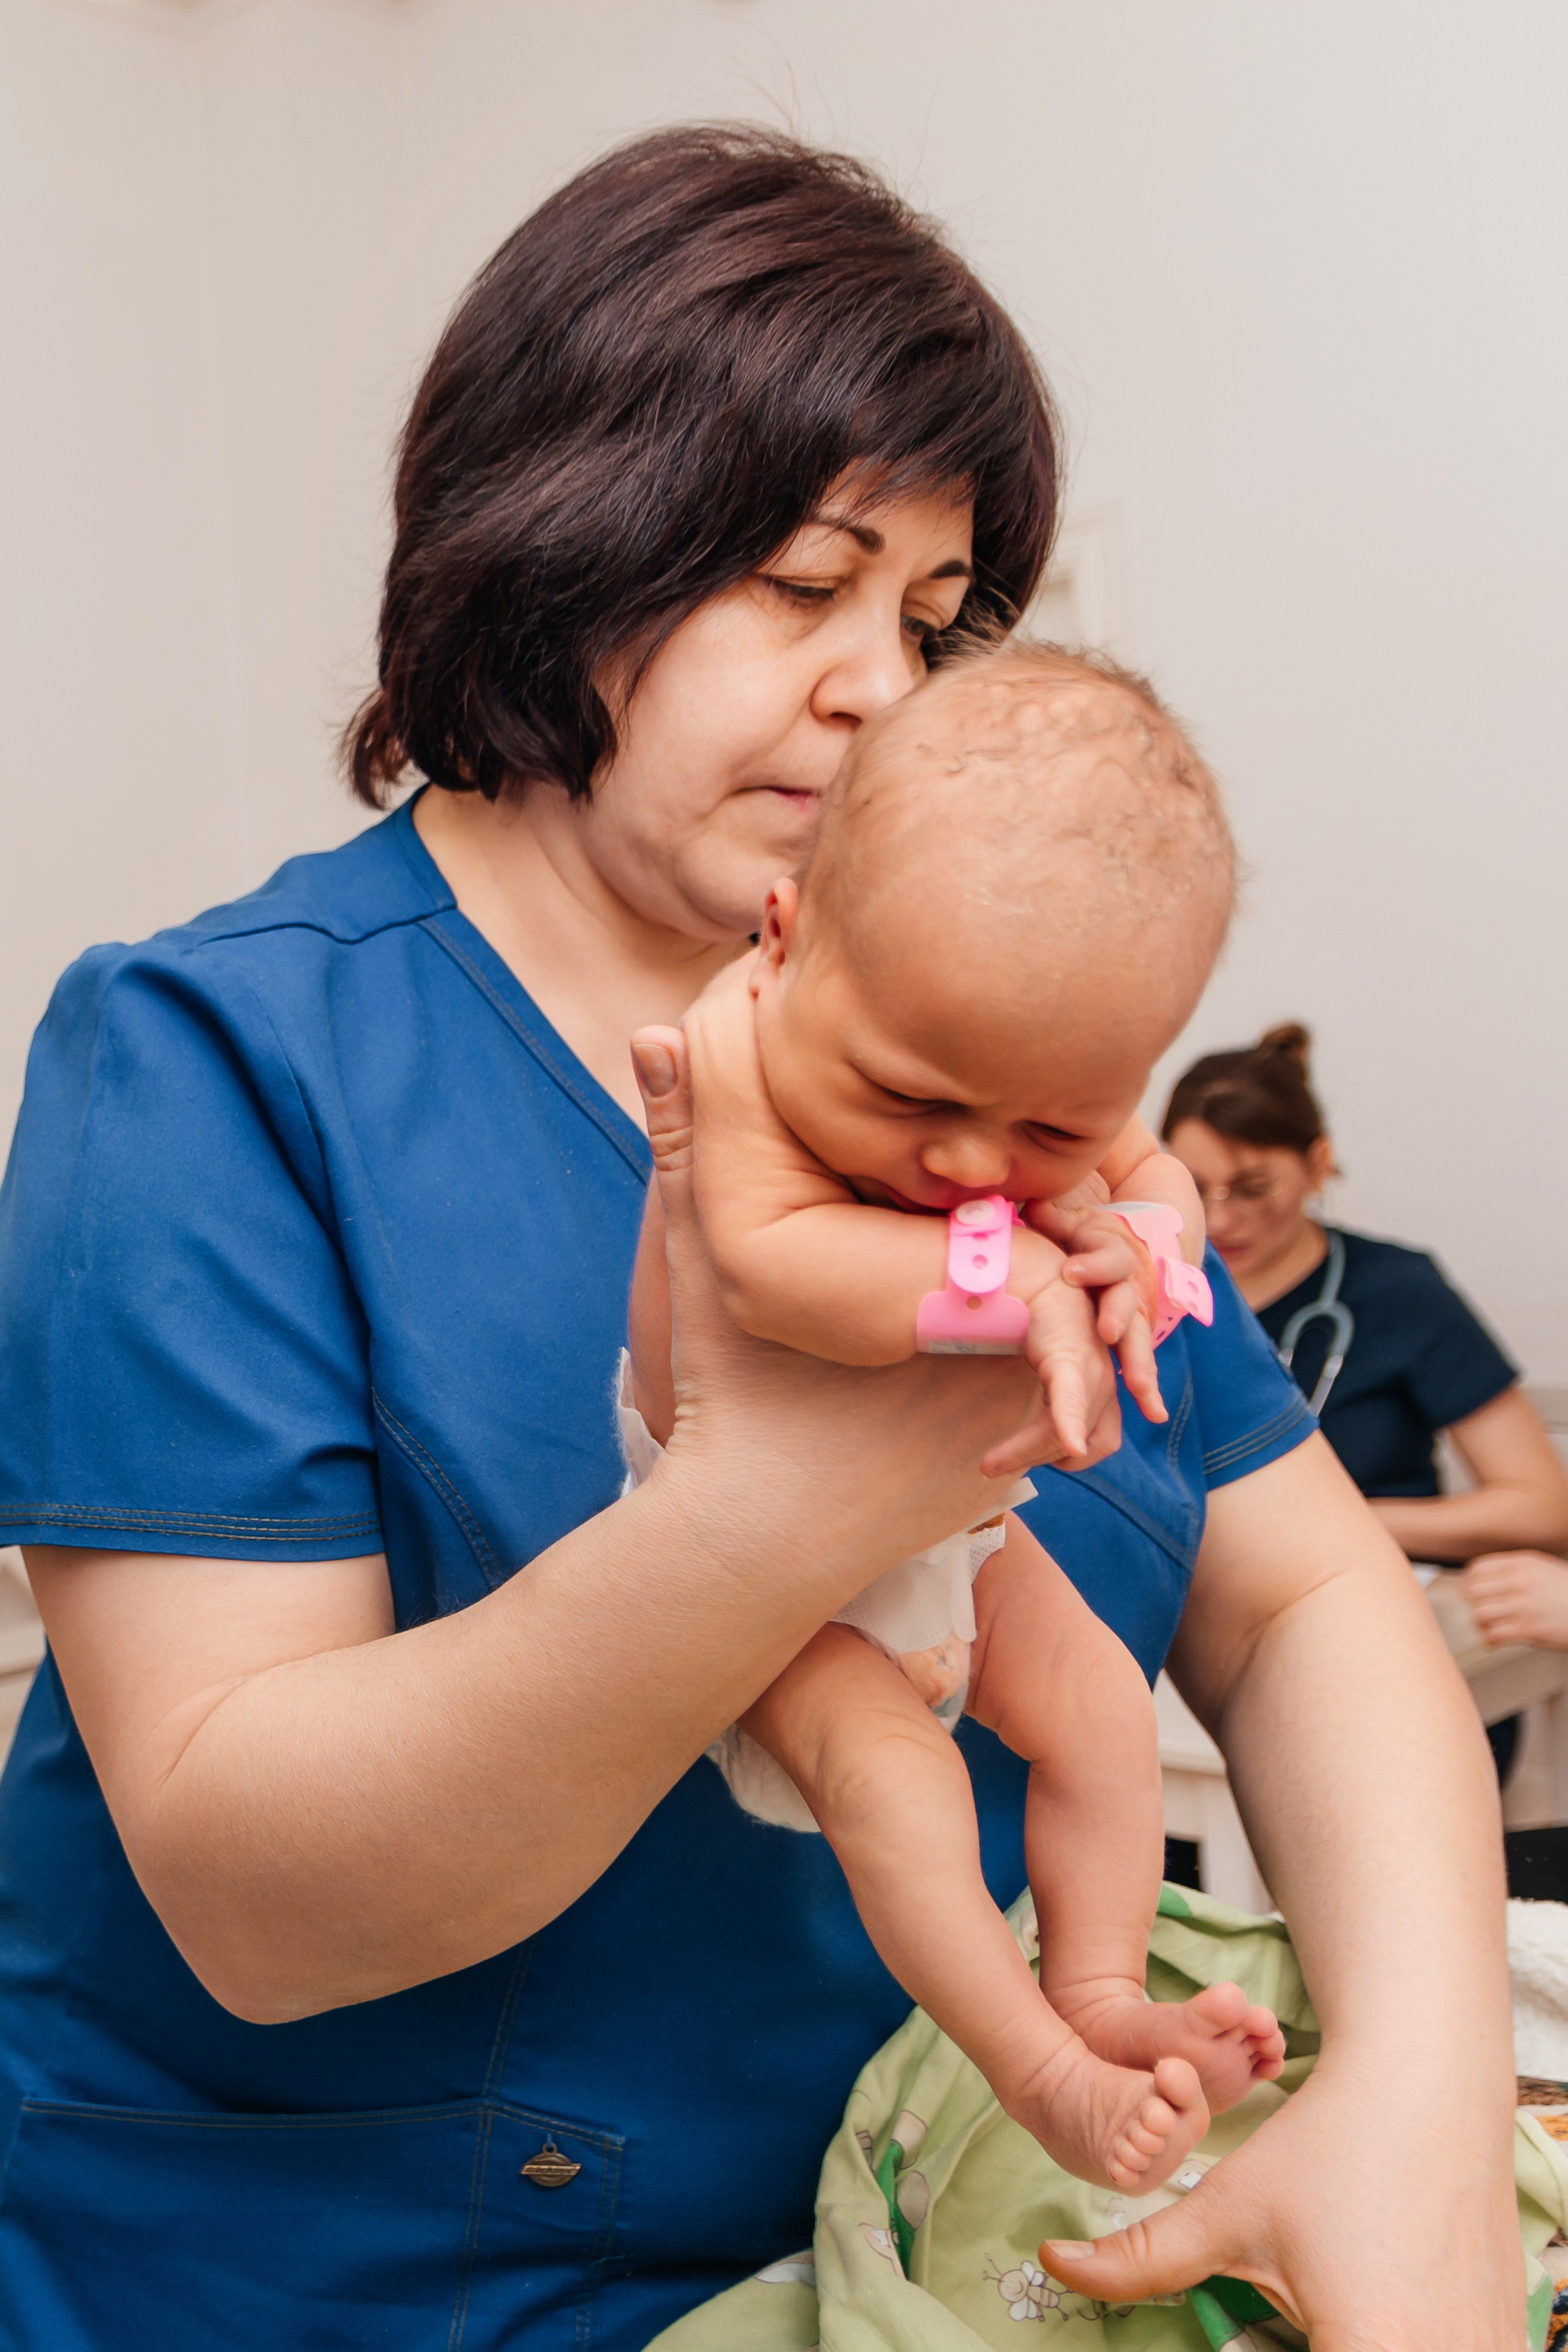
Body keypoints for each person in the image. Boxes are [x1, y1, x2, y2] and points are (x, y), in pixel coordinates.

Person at [0, 128, 1520, 2349]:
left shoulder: (974, 1089)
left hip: (911, 2213)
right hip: (360, 2290)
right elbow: (256, 1894)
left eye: (928, 620)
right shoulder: (222, 1064)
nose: (870, 686)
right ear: (559, 532)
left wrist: (1412, 2090)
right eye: (799, 586)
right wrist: (766, 1520)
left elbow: (1296, 1603)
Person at [625, 648, 1286, 2198]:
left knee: (1103, 1719)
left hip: (957, 1529)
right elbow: (778, 1268)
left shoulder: (1022, 1050)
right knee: (895, 1784)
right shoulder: (730, 1041)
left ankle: (1098, 1989)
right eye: (910, 1097)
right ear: (783, 937)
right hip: (756, 1570)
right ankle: (1031, 2059)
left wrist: (1141, 1235)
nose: (971, 1157)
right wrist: (1012, 1287)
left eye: (1047, 1123)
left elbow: (1153, 1177)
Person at [1163, 1023, 1568, 1779]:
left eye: (1253, 1188)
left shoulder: (1396, 1292)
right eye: (1192, 1187)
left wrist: (1337, 1524)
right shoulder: (1152, 1298)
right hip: (1189, 1631)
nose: (1219, 1220)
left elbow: (1543, 1506)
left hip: (1377, 1622)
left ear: (1318, 1166)